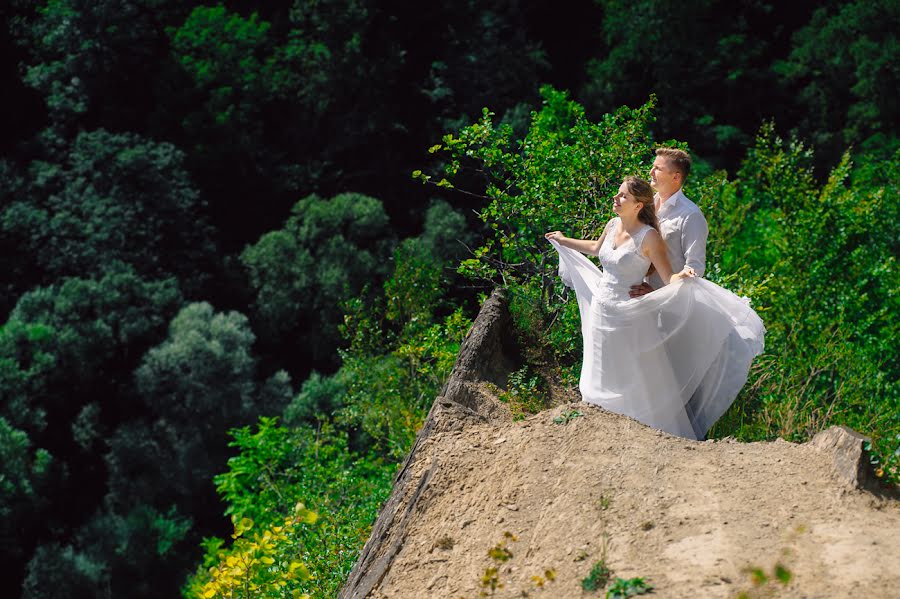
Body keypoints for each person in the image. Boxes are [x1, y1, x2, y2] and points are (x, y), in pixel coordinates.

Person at [545, 176, 764, 440]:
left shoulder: (649, 238)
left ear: (638, 205)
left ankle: (638, 430)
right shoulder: (613, 223)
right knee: (600, 366)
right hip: (603, 309)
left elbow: (668, 277)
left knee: (632, 373)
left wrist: (684, 276)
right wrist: (562, 239)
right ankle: (598, 423)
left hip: (629, 315)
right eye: (618, 194)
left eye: (623, 195)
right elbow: (594, 248)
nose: (616, 198)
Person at [630, 147, 707, 297]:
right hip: (634, 296)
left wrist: (657, 295)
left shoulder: (691, 215)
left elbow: (695, 269)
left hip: (669, 306)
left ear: (676, 177)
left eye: (657, 168)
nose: (651, 172)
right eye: (652, 167)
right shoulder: (645, 205)